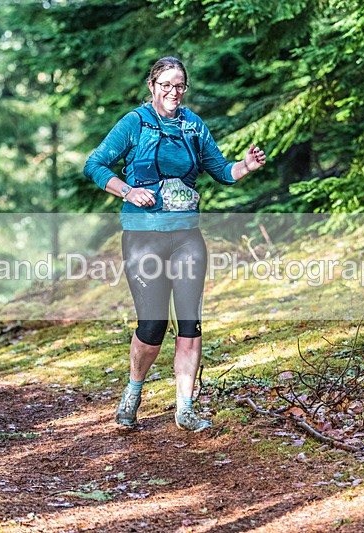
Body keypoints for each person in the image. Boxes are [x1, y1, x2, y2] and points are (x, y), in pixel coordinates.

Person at [84, 56, 266, 432]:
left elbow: (220, 170)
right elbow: (95, 164)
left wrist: (245, 166)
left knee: (190, 327)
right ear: (152, 86)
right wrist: (128, 190)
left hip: (187, 239)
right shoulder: (134, 123)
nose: (173, 91)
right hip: (143, 239)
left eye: (179, 85)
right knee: (152, 326)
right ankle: (134, 392)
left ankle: (185, 409)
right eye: (165, 84)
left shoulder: (193, 125)